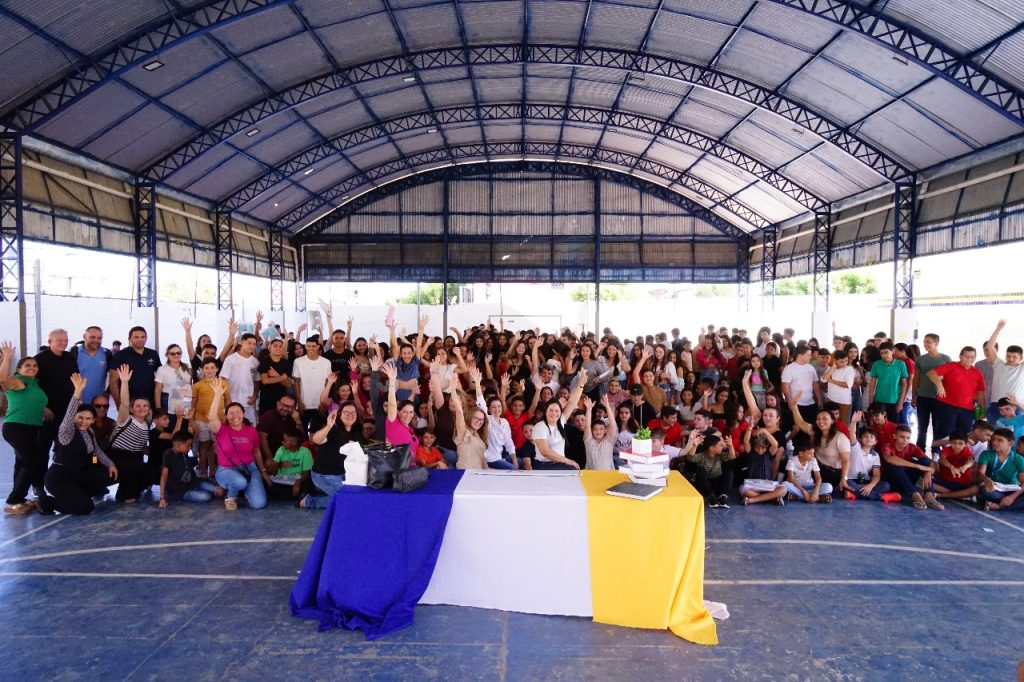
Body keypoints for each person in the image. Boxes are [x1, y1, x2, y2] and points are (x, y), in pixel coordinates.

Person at [36, 374, 118, 516]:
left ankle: (77, 495)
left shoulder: (89, 432)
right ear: (75, 418)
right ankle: (46, 502)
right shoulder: (66, 431)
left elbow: (97, 451)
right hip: (59, 478)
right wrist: (77, 392)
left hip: (77, 474)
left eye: (88, 419)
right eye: (80, 418)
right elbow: (69, 414)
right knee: (85, 508)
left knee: (109, 475)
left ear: (93, 420)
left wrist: (111, 464)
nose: (83, 422)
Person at [0, 342, 48, 514]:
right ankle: (15, 498)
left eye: (34, 365)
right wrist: (7, 358)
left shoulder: (34, 385)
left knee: (22, 462)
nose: (32, 368)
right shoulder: (18, 382)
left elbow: (33, 401)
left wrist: (45, 408)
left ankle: (18, 500)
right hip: (16, 427)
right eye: (27, 365)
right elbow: (2, 379)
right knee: (32, 460)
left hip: (31, 428)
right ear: (19, 369)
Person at [208, 382, 268, 511]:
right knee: (240, 482)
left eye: (238, 412)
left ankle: (243, 489)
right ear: (226, 416)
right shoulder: (221, 430)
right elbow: (212, 417)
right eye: (231, 413)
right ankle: (231, 496)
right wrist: (218, 395)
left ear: (243, 414)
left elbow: (256, 451)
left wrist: (263, 472)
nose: (235, 416)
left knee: (259, 504)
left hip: (249, 468)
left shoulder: (251, 431)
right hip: (226, 470)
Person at [107, 364, 156, 503]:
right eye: (138, 406)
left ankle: (133, 490)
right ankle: (123, 495)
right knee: (132, 466)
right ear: (132, 409)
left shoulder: (147, 425)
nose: (142, 408)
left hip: (135, 456)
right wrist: (124, 382)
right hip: (118, 455)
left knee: (151, 471)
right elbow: (123, 403)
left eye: (145, 406)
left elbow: (142, 447)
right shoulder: (125, 419)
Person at [301, 404, 365, 510]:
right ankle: (310, 501)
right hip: (324, 475)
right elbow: (316, 440)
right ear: (340, 414)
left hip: (345, 475)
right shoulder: (332, 429)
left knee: (356, 498)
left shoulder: (357, 431)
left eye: (353, 413)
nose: (350, 415)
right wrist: (328, 425)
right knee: (349, 500)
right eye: (346, 413)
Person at [789, 395, 851, 497]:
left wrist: (844, 479)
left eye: (824, 419)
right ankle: (811, 494)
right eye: (818, 419)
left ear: (832, 421)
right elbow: (800, 423)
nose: (821, 421)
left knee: (828, 488)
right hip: (817, 471)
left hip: (833, 474)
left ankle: (803, 494)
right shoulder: (815, 432)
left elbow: (846, 461)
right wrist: (794, 406)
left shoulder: (840, 438)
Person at [927, 346, 986, 447]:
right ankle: (937, 454)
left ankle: (960, 457)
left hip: (967, 409)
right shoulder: (951, 366)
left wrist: (983, 410)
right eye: (966, 356)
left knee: (964, 434)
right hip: (947, 406)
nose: (969, 359)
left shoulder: (977, 372)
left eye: (972, 357)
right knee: (944, 432)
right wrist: (939, 384)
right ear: (960, 356)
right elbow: (931, 373)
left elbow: (980, 393)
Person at [34, 329, 79, 460]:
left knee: (63, 448)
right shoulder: (40, 359)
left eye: (65, 340)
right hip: (48, 413)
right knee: (42, 449)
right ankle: (39, 480)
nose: (63, 343)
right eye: (59, 340)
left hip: (66, 411)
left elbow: (76, 379)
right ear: (49, 342)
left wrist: (78, 400)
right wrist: (42, 407)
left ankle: (58, 478)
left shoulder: (69, 357)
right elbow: (33, 386)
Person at [532, 368, 588, 470]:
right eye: (551, 410)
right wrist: (567, 460)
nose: (554, 413)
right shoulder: (540, 427)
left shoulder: (560, 421)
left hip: (558, 463)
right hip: (544, 465)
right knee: (573, 469)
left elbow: (571, 402)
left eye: (557, 410)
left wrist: (581, 384)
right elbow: (545, 451)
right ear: (545, 412)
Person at [881, 424, 943, 511]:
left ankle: (929, 494)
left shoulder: (912, 447)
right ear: (894, 436)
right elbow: (889, 459)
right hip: (891, 481)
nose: (905, 440)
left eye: (908, 438)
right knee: (895, 465)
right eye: (902, 437)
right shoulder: (888, 446)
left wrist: (928, 472)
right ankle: (915, 494)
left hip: (907, 481)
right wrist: (918, 466)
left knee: (925, 462)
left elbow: (930, 463)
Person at [157, 432, 221, 507]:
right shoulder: (168, 454)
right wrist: (162, 497)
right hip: (182, 491)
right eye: (188, 446)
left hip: (195, 483)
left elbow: (196, 433)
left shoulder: (184, 452)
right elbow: (164, 476)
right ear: (178, 446)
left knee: (220, 491)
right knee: (206, 496)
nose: (190, 447)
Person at [912, 334, 951, 451]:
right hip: (923, 396)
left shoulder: (946, 359)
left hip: (939, 398)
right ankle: (920, 449)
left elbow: (949, 379)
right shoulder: (920, 360)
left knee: (937, 425)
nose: (925, 345)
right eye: (924, 342)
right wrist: (914, 396)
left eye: (928, 342)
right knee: (922, 425)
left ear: (936, 343)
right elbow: (916, 379)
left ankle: (936, 450)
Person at [677, 431, 735, 508]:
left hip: (717, 482)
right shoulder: (702, 456)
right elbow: (690, 458)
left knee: (729, 472)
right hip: (705, 484)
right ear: (712, 448)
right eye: (720, 445)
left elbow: (731, 456)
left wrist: (731, 446)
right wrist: (695, 445)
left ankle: (723, 496)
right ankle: (711, 497)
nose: (722, 447)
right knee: (700, 470)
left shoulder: (720, 455)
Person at [844, 422, 898, 502]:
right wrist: (854, 421)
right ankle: (882, 497)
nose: (868, 438)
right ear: (861, 439)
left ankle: (854, 494)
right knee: (848, 484)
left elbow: (876, 475)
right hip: (852, 480)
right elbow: (852, 433)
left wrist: (870, 485)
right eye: (865, 436)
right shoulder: (856, 447)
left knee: (886, 486)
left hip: (865, 481)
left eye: (871, 437)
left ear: (875, 442)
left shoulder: (875, 455)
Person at [983, 320, 1024, 423]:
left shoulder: (1022, 368)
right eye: (1008, 356)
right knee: (994, 433)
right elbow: (990, 347)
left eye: (1014, 357)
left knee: (1014, 435)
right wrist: (998, 329)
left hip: (1016, 406)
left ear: (1021, 358)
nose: (1010, 359)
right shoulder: (998, 364)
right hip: (996, 405)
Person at [110, 326, 162, 407]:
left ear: (146, 338)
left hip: (150, 402)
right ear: (129, 339)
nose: (140, 340)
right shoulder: (120, 355)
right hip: (129, 402)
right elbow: (113, 382)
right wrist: (119, 404)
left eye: (143, 337)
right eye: (136, 337)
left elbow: (160, 375)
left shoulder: (153, 354)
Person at [976, 427, 1024, 511]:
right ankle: (1006, 503)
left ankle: (999, 506)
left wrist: (1012, 497)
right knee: (985, 491)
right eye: (993, 439)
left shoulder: (1019, 459)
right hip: (994, 488)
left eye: (999, 440)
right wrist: (986, 479)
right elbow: (980, 473)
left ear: (1010, 443)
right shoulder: (986, 454)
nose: (994, 442)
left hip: (1011, 489)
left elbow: (1023, 482)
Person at [292, 335, 332, 432]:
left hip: (320, 405)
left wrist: (324, 403)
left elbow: (328, 383)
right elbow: (296, 383)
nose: (311, 348)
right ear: (305, 346)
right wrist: (299, 402)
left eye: (313, 346)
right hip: (304, 404)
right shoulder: (298, 361)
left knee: (319, 432)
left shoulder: (326, 362)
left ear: (318, 347)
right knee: (302, 431)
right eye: (308, 346)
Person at [738, 429, 787, 506]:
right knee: (743, 489)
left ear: (767, 446)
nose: (760, 451)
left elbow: (775, 444)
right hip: (753, 484)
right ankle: (772, 499)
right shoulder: (750, 452)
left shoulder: (770, 452)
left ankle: (753, 500)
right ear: (753, 446)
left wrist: (764, 430)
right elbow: (746, 441)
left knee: (783, 489)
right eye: (757, 448)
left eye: (763, 448)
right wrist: (750, 428)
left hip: (767, 484)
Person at [220, 333, 261, 424]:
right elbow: (223, 379)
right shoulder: (230, 359)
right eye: (249, 343)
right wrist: (228, 398)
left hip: (248, 402)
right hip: (232, 401)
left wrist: (254, 396)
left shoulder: (255, 362)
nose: (251, 346)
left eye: (254, 344)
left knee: (249, 427)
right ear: (241, 343)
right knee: (232, 426)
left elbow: (257, 381)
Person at [380, 362, 420, 454]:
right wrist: (392, 381)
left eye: (411, 412)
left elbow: (408, 403)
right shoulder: (393, 424)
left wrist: (413, 394)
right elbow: (392, 405)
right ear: (398, 412)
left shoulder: (410, 428)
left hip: (413, 466)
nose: (408, 415)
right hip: (398, 467)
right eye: (405, 412)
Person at [256, 395, 304, 470]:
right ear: (278, 403)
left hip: (287, 453)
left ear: (293, 408)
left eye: (289, 407)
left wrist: (298, 422)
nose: (285, 408)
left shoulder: (294, 417)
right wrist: (269, 457)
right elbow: (262, 438)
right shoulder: (268, 416)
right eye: (283, 405)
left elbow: (301, 439)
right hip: (270, 452)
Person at [866, 342, 908, 423]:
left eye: (886, 352)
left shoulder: (901, 364)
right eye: (882, 353)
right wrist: (871, 400)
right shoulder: (876, 364)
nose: (884, 355)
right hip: (879, 400)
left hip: (894, 400)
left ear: (892, 351)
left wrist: (901, 402)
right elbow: (872, 384)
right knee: (878, 424)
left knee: (893, 425)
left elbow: (904, 384)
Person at [267, 429, 313, 502]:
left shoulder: (305, 452)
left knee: (307, 482)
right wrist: (279, 464)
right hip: (283, 480)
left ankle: (285, 496)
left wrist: (298, 482)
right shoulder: (281, 449)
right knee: (268, 482)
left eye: (285, 440)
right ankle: (291, 496)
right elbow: (270, 471)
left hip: (297, 480)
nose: (282, 442)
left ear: (294, 442)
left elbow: (306, 472)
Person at [70, 326, 112, 404]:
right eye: (92, 337)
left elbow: (113, 376)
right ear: (84, 337)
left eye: (99, 338)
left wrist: (108, 392)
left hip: (98, 404)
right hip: (78, 402)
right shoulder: (74, 353)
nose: (96, 340)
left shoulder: (106, 354)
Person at [783, 437, 832, 504]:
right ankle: (815, 497)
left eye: (813, 453)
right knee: (785, 484)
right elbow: (791, 479)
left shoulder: (813, 460)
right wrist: (804, 492)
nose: (812, 456)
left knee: (829, 487)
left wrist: (816, 491)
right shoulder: (792, 461)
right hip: (797, 486)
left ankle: (799, 496)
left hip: (810, 485)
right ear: (801, 453)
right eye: (810, 453)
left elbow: (818, 478)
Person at [932, 431, 980, 501]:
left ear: (965, 444)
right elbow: (942, 459)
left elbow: (970, 460)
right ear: (950, 442)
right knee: (926, 481)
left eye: (960, 443)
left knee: (977, 488)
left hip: (962, 484)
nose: (957, 446)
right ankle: (961, 495)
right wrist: (951, 467)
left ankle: (948, 494)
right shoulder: (947, 450)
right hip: (946, 482)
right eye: (954, 443)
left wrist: (965, 467)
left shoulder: (967, 451)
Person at [781, 345, 820, 423]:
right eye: (808, 355)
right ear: (800, 355)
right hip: (796, 404)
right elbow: (785, 387)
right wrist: (789, 401)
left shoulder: (810, 367)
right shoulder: (789, 368)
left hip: (810, 403)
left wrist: (819, 399)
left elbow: (815, 385)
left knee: (811, 427)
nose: (810, 357)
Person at [153, 344, 193, 415]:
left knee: (184, 424)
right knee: (171, 424)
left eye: (178, 353)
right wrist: (158, 408)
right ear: (167, 355)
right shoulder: (162, 369)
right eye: (172, 353)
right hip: (168, 402)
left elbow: (190, 386)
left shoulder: (188, 368)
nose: (176, 355)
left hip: (185, 401)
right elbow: (157, 390)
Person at [257, 338, 293, 415]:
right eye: (275, 346)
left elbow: (288, 384)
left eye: (280, 346)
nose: (278, 348)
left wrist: (276, 375)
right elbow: (265, 381)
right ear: (270, 348)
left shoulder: (286, 363)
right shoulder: (265, 361)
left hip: (282, 401)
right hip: (266, 400)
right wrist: (282, 377)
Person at [583, 395, 618, 471]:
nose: (598, 431)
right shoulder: (588, 441)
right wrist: (589, 409)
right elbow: (587, 426)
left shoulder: (609, 440)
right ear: (592, 431)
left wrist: (607, 407)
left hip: (608, 475)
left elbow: (613, 424)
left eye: (601, 429)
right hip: (590, 475)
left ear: (605, 430)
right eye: (595, 429)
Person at [820, 350, 855, 424]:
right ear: (835, 361)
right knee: (830, 423)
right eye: (841, 362)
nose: (845, 363)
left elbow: (848, 385)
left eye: (846, 361)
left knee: (843, 424)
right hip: (831, 400)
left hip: (843, 402)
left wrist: (832, 381)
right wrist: (833, 367)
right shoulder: (831, 368)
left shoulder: (849, 369)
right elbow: (823, 379)